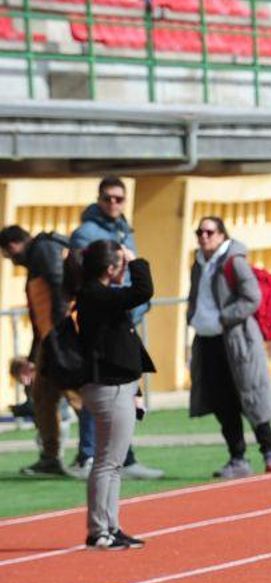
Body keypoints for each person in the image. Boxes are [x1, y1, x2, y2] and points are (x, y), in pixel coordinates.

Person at [69, 176, 163, 481]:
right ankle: (88, 453)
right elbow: (91, 276)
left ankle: (126, 455)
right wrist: (126, 295)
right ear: (99, 199)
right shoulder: (86, 233)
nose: (113, 203)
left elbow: (126, 283)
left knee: (123, 396)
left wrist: (133, 305)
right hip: (104, 318)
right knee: (101, 394)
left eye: (119, 198)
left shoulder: (125, 228)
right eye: (108, 198)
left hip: (125, 315)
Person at [72, 241, 156, 549]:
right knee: (107, 462)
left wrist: (136, 387)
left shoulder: (99, 295)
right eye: (119, 263)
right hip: (109, 387)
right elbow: (143, 291)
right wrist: (136, 260)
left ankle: (110, 525)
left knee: (113, 462)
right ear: (110, 268)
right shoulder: (97, 295)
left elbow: (126, 344)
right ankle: (98, 530)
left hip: (118, 385)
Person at [185, 217, 271, 479]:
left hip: (237, 340)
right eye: (199, 232)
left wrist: (224, 317)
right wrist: (193, 315)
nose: (203, 236)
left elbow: (252, 297)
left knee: (251, 393)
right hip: (207, 341)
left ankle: (269, 452)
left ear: (221, 235)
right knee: (221, 401)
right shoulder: (198, 264)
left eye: (209, 232)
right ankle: (237, 457)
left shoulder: (234, 262)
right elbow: (197, 296)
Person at [2, 224, 74, 477]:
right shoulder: (37, 256)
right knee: (42, 397)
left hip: (61, 338)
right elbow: (38, 313)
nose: (11, 261)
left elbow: (58, 291)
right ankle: (50, 457)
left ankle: (99, 454)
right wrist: (35, 356)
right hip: (49, 340)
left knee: (79, 397)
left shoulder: (44, 250)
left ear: (13, 246)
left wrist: (58, 336)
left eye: (8, 256)